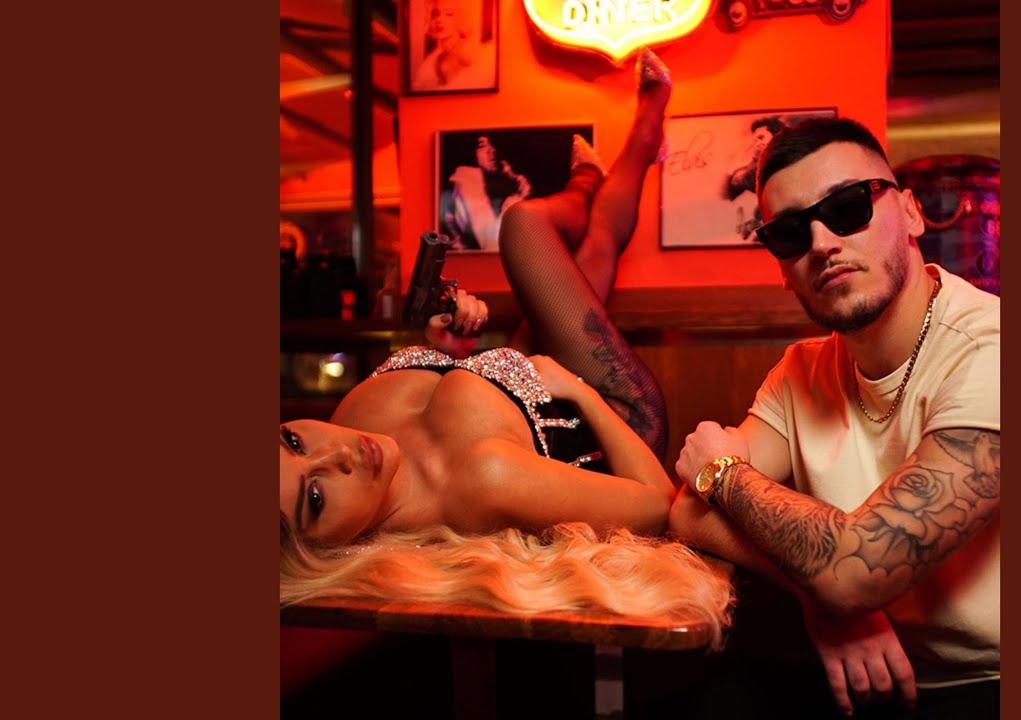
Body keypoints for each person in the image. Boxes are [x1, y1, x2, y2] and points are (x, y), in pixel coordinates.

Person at [278, 49, 733, 635]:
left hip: (517, 378)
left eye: (293, 441)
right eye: (314, 497)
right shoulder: (480, 483)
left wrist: (448, 350)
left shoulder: (353, 419)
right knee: (527, 226)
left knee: (591, 254)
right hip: (610, 418)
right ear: (319, 551)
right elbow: (658, 502)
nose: (336, 455)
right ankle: (614, 159)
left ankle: (611, 164)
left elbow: (462, 403)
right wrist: (580, 391)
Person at [670, 117, 1000, 717]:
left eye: (848, 208)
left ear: (911, 213)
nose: (821, 243)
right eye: (790, 232)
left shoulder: (992, 348)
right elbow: (688, 513)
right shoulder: (801, 369)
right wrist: (819, 597)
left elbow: (852, 572)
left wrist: (722, 472)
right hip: (869, 674)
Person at [442, 134, 531, 250]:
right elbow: (491, 245)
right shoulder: (466, 177)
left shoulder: (494, 184)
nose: (491, 150)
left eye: (494, 144)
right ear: (472, 153)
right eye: (482, 146)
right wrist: (517, 199)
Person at [411, 0, 496, 92]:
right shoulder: (433, 61)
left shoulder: (469, 54)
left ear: (461, 19)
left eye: (449, 14)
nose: (439, 20)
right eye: (435, 14)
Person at [724, 116, 785, 239]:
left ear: (776, 136)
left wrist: (734, 167)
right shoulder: (758, 162)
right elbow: (731, 191)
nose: (756, 144)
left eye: (761, 138)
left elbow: (736, 183)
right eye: (755, 140)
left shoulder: (782, 161)